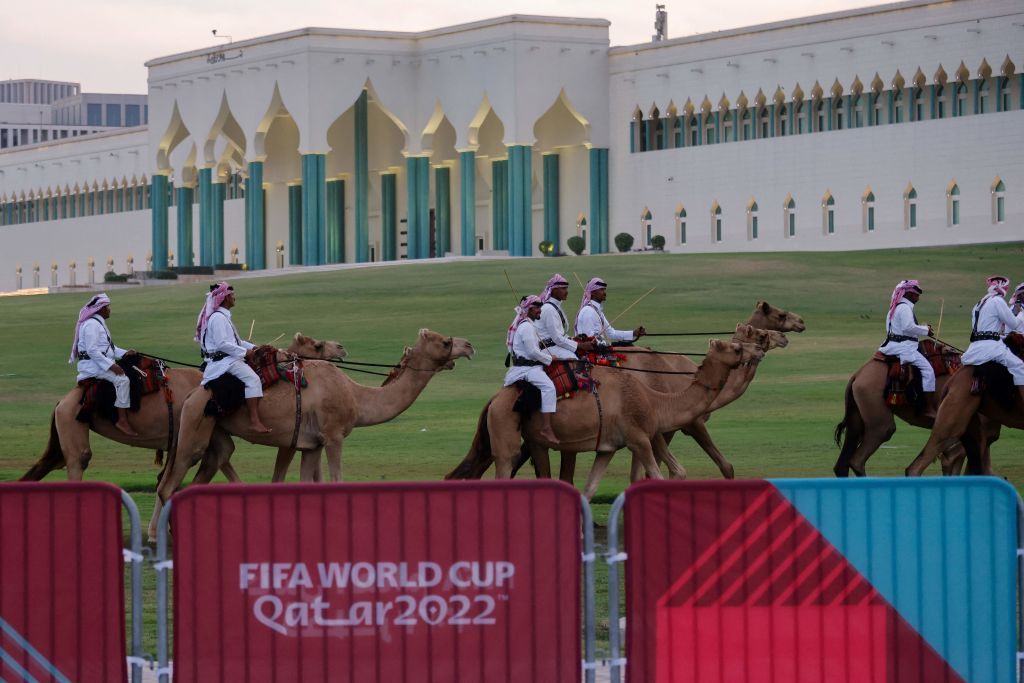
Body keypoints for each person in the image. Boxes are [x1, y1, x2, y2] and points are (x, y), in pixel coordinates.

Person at [195, 282, 272, 433]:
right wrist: (245, 353)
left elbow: (235, 342)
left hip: (228, 358)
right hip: (224, 362)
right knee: (253, 379)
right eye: (232, 295)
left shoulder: (223, 317)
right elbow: (223, 344)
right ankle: (254, 421)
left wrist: (253, 347)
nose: (234, 298)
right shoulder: (218, 318)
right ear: (225, 297)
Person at [69, 292, 138, 435]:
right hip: (92, 368)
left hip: (98, 364)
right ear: (100, 309)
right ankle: (122, 420)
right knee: (123, 380)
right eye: (108, 307)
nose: (110, 309)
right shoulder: (91, 325)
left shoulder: (99, 323)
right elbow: (92, 351)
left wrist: (125, 353)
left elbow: (109, 349)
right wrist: (112, 366)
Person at [504, 295, 560, 444]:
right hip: (527, 370)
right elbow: (532, 353)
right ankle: (546, 428)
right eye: (536, 308)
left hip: (528, 366)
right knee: (549, 387)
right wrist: (550, 359)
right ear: (528, 309)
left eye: (540, 308)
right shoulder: (527, 327)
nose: (539, 311)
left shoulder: (528, 325)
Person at [960, 275, 1024, 398]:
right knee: (1019, 366)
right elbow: (1014, 324)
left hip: (974, 347)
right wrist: (1017, 309)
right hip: (992, 347)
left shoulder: (978, 304)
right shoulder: (998, 301)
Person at [877, 279, 935, 393]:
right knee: (929, 371)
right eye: (916, 295)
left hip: (892, 345)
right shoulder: (904, 308)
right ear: (909, 294)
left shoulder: (894, 308)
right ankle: (928, 407)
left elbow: (902, 329)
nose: (918, 297)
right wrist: (926, 330)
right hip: (905, 348)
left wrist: (922, 329)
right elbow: (908, 327)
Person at [537, 273, 595, 360]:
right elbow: (557, 338)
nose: (567, 291)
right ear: (554, 290)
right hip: (548, 349)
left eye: (566, 288)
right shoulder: (549, 309)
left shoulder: (555, 307)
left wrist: (573, 338)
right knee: (574, 359)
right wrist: (580, 345)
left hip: (555, 345)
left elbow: (560, 335)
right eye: (563, 288)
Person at [574, 277, 646, 345]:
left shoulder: (597, 311)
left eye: (604, 289)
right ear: (592, 292)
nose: (604, 293)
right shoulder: (588, 311)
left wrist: (633, 333)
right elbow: (588, 338)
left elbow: (611, 333)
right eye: (601, 290)